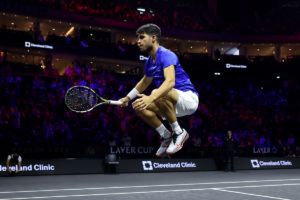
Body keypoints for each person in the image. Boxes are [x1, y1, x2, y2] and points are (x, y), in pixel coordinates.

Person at [119, 24, 199, 156]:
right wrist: (127, 98)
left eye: (142, 37)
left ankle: (179, 133)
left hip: (187, 99)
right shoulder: (150, 61)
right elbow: (144, 82)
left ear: (153, 38)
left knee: (157, 92)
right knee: (138, 105)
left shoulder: (166, 55)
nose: (138, 41)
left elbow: (170, 82)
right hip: (170, 104)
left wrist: (151, 97)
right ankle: (166, 136)